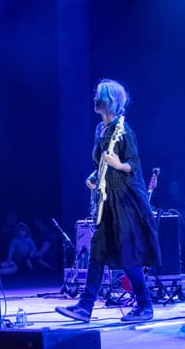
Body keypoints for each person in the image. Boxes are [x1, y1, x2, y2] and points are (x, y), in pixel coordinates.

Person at [55, 79, 161, 323]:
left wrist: (118, 165)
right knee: (98, 251)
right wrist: (95, 175)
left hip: (125, 200)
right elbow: (102, 163)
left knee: (128, 256)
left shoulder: (124, 131)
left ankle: (145, 305)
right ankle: (84, 307)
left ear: (111, 102)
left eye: (100, 97)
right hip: (107, 200)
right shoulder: (101, 130)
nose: (95, 99)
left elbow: (133, 165)